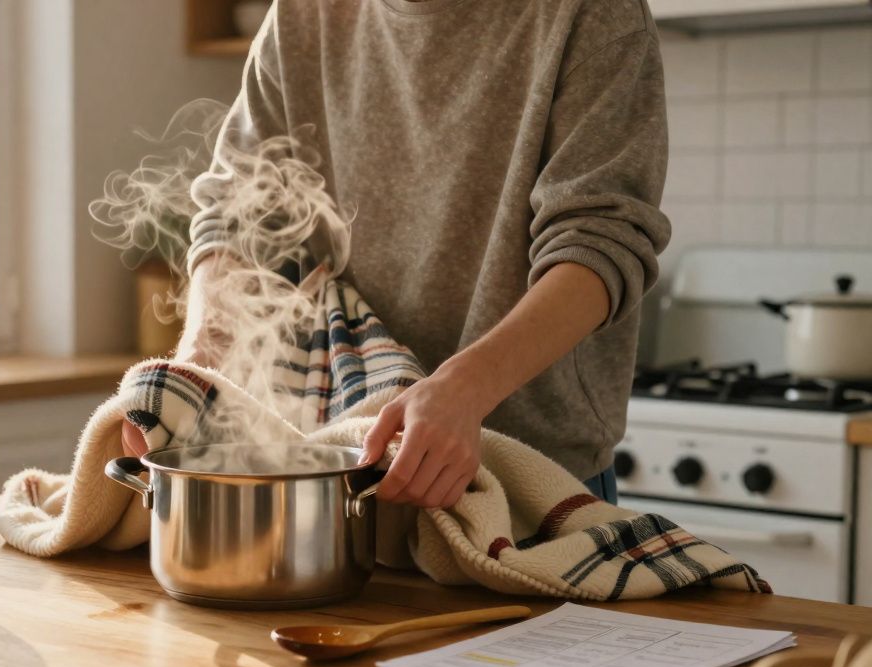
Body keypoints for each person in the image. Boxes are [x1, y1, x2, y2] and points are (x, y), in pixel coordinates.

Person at [122, 0, 670, 510]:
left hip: (532, 475)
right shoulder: (302, 14)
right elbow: (237, 216)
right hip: (347, 456)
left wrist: (464, 390)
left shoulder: (592, 12)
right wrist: (196, 367)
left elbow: (599, 241)